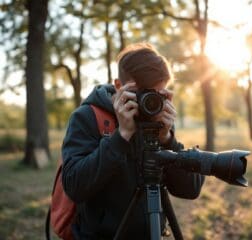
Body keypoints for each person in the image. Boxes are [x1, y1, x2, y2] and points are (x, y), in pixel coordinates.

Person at [61, 42, 205, 240]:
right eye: (144, 93)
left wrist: (167, 139)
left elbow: (190, 189)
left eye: (158, 94)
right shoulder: (87, 117)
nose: (150, 103)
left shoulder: (159, 119)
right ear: (119, 86)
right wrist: (121, 136)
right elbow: (74, 186)